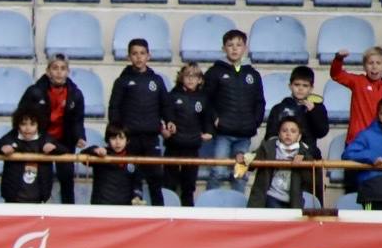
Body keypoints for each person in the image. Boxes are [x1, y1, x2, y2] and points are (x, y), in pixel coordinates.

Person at [331, 46, 382, 193]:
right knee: (353, 192)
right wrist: (338, 59)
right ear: (364, 65)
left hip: (379, 145)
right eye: (370, 63)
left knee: (376, 189)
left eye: (378, 63)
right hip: (357, 143)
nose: (374, 67)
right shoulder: (357, 81)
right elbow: (336, 74)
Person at [16, 53, 87, 203]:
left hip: (65, 142)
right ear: (48, 71)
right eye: (55, 68)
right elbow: (21, 115)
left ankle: (69, 215)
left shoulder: (76, 94)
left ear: (68, 72)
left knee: (67, 179)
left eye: (63, 68)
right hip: (40, 141)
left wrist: (80, 136)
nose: (59, 72)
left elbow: (78, 120)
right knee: (40, 179)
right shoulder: (34, 91)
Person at [108, 38, 171, 205]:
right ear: (129, 57)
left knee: (156, 177)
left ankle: (160, 212)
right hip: (130, 137)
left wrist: (169, 120)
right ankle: (131, 212)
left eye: (142, 53)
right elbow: (114, 107)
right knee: (131, 175)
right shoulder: (122, 81)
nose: (139, 57)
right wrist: (116, 132)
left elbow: (165, 104)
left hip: (151, 137)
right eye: (134, 54)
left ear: (148, 56)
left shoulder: (156, 81)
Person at [204, 29, 266, 192]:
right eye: (230, 45)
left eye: (238, 45)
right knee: (217, 172)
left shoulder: (253, 74)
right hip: (223, 134)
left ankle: (240, 210)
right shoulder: (215, 72)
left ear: (245, 48)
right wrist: (215, 119)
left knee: (240, 174)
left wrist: (254, 122)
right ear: (224, 48)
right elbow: (206, 100)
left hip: (244, 135)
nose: (234, 48)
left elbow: (259, 101)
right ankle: (208, 209)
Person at [263, 66, 330, 204]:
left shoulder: (317, 108)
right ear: (290, 86)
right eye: (297, 85)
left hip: (309, 160)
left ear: (311, 88)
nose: (300, 89)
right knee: (281, 201)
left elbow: (322, 131)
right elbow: (270, 135)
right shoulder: (279, 108)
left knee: (309, 203)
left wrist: (313, 113)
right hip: (284, 161)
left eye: (305, 86)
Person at [163, 62, 212, 206]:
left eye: (194, 76)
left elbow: (207, 118)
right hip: (173, 146)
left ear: (200, 80)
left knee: (188, 186)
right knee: (169, 184)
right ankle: (167, 214)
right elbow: (167, 114)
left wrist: (209, 132)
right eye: (187, 76)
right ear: (181, 78)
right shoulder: (173, 95)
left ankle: (187, 215)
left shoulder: (203, 98)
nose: (191, 79)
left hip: (192, 147)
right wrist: (167, 125)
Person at [0, 108, 55, 203]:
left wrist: (54, 148)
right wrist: (1, 148)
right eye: (23, 124)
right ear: (17, 125)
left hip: (38, 198)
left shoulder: (45, 138)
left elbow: (64, 150)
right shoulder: (11, 137)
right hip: (13, 198)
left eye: (32, 124)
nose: (27, 128)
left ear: (39, 125)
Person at [243, 116, 314, 208]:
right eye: (284, 131)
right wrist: (243, 157)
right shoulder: (267, 147)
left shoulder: (304, 153)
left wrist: (304, 163)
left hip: (293, 200)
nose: (288, 134)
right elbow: (251, 161)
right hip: (271, 196)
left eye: (293, 131)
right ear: (279, 134)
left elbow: (309, 181)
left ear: (299, 136)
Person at [82, 123, 141, 205]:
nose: (117, 142)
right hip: (101, 206)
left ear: (127, 140)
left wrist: (137, 196)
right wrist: (95, 150)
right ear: (107, 140)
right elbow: (82, 157)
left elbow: (137, 183)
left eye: (121, 138)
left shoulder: (133, 159)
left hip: (125, 208)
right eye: (113, 138)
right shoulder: (100, 154)